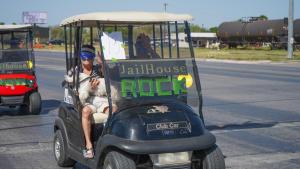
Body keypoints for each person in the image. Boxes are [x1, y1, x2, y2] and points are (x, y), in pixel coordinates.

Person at [79, 45, 116, 159]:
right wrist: (90, 88)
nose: (86, 61)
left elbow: (109, 75)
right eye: (84, 58)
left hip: (101, 98)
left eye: (89, 58)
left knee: (114, 110)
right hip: (88, 100)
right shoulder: (77, 71)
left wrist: (102, 63)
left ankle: (108, 140)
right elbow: (77, 89)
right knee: (85, 112)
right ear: (80, 58)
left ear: (93, 58)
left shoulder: (97, 69)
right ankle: (89, 145)